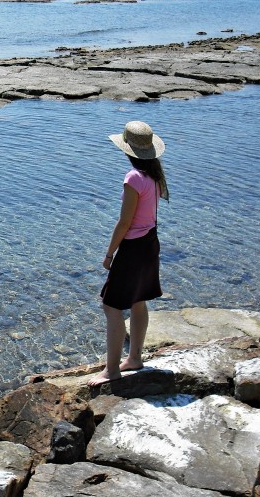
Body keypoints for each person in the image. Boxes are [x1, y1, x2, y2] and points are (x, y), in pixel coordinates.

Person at [87, 120, 169, 387]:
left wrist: (109, 253)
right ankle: (134, 358)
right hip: (150, 242)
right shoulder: (156, 176)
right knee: (138, 300)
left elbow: (125, 222)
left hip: (133, 247)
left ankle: (112, 370)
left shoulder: (133, 178)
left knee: (111, 306)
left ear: (128, 149)